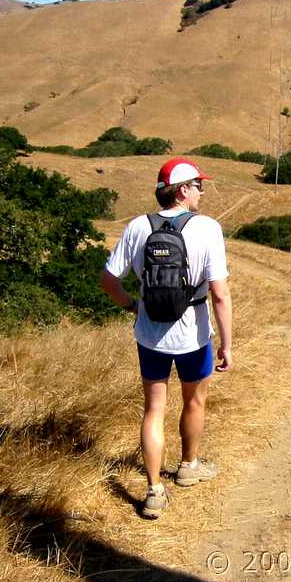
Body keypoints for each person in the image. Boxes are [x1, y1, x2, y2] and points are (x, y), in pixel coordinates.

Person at [100, 157, 233, 519]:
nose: (202, 191)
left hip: (150, 333)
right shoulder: (207, 228)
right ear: (184, 190)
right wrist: (227, 344)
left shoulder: (138, 227)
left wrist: (132, 305)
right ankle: (188, 466)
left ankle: (154, 491)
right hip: (193, 335)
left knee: (153, 409)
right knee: (194, 402)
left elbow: (108, 280)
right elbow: (219, 294)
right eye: (199, 185)